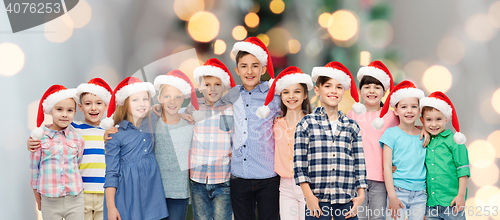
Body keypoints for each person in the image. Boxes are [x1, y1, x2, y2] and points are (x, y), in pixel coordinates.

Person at [28, 78, 113, 220]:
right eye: (87, 104)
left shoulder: (110, 131)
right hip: (81, 192)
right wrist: (31, 141)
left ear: (105, 105)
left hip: (102, 192)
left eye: (98, 103)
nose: (93, 108)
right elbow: (55, 131)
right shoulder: (74, 128)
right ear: (80, 108)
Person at [294, 61, 367, 220]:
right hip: (317, 201)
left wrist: (360, 195)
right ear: (317, 90)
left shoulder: (351, 126)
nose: (333, 91)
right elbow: (300, 165)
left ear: (343, 91)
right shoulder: (306, 124)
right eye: (328, 86)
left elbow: (359, 162)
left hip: (346, 200)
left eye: (339, 87)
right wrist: (309, 197)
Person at [223, 36, 281, 220]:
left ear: (263, 68)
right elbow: (209, 108)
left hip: (268, 175)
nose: (250, 71)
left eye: (255, 65)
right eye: (244, 66)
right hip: (240, 174)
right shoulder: (231, 95)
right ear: (237, 70)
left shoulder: (273, 96)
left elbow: (294, 113)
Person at [102, 77, 168, 220]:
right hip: (127, 199)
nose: (142, 104)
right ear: (124, 104)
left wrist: (185, 114)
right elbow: (111, 174)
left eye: (145, 99)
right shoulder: (116, 134)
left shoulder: (152, 119)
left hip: (151, 195)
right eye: (135, 100)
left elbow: (171, 109)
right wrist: (111, 207)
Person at [258, 66, 313, 220]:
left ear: (305, 95)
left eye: (297, 91)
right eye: (286, 92)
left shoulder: (312, 123)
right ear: (280, 95)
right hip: (284, 186)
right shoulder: (276, 124)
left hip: (308, 185)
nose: (291, 96)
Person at [346, 61, 398, 220]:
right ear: (360, 90)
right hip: (357, 180)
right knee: (359, 217)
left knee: (377, 217)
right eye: (367, 87)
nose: (372, 91)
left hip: (381, 179)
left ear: (384, 92)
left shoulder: (391, 116)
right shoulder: (351, 115)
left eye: (377, 87)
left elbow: (404, 135)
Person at [187, 58, 235, 220]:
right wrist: (156, 107)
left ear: (225, 87)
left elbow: (238, 137)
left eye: (217, 84)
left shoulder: (231, 109)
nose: (212, 89)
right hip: (198, 179)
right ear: (200, 87)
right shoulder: (193, 107)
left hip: (223, 180)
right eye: (207, 85)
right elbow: (173, 115)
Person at [30, 85, 85, 220]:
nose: (65, 114)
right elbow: (34, 172)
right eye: (59, 109)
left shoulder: (78, 139)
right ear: (50, 111)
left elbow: (77, 164)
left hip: (75, 199)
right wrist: (38, 199)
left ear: (74, 112)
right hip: (49, 200)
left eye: (70, 110)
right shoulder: (39, 139)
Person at [153, 70, 198, 220]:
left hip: (179, 192)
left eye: (176, 97)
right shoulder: (153, 123)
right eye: (167, 97)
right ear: (159, 99)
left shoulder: (190, 124)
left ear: (182, 100)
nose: (172, 101)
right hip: (156, 191)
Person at [379, 80, 426, 220]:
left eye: (414, 107)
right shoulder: (391, 134)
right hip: (398, 191)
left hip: (420, 193)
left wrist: (425, 130)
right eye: (404, 107)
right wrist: (392, 196)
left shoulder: (424, 136)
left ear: (419, 110)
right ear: (396, 110)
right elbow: (387, 167)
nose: (409, 111)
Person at [419, 91, 469, 220]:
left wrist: (461, 196)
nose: (434, 124)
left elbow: (462, 170)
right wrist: (423, 129)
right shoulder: (425, 139)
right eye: (428, 120)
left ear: (446, 119)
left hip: (452, 202)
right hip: (431, 204)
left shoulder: (455, 141)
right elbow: (408, 127)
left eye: (438, 119)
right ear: (422, 120)